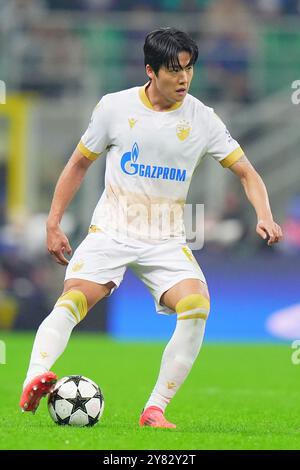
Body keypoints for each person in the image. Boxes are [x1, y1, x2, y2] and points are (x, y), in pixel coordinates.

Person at [19, 27, 283, 428]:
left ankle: (154, 408)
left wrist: (264, 214)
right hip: (112, 229)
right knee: (75, 300)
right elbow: (77, 164)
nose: (184, 78)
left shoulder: (203, 118)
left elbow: (247, 173)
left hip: (165, 238)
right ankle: (34, 377)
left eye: (189, 68)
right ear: (150, 70)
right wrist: (53, 222)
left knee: (196, 307)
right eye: (174, 70)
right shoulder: (114, 108)